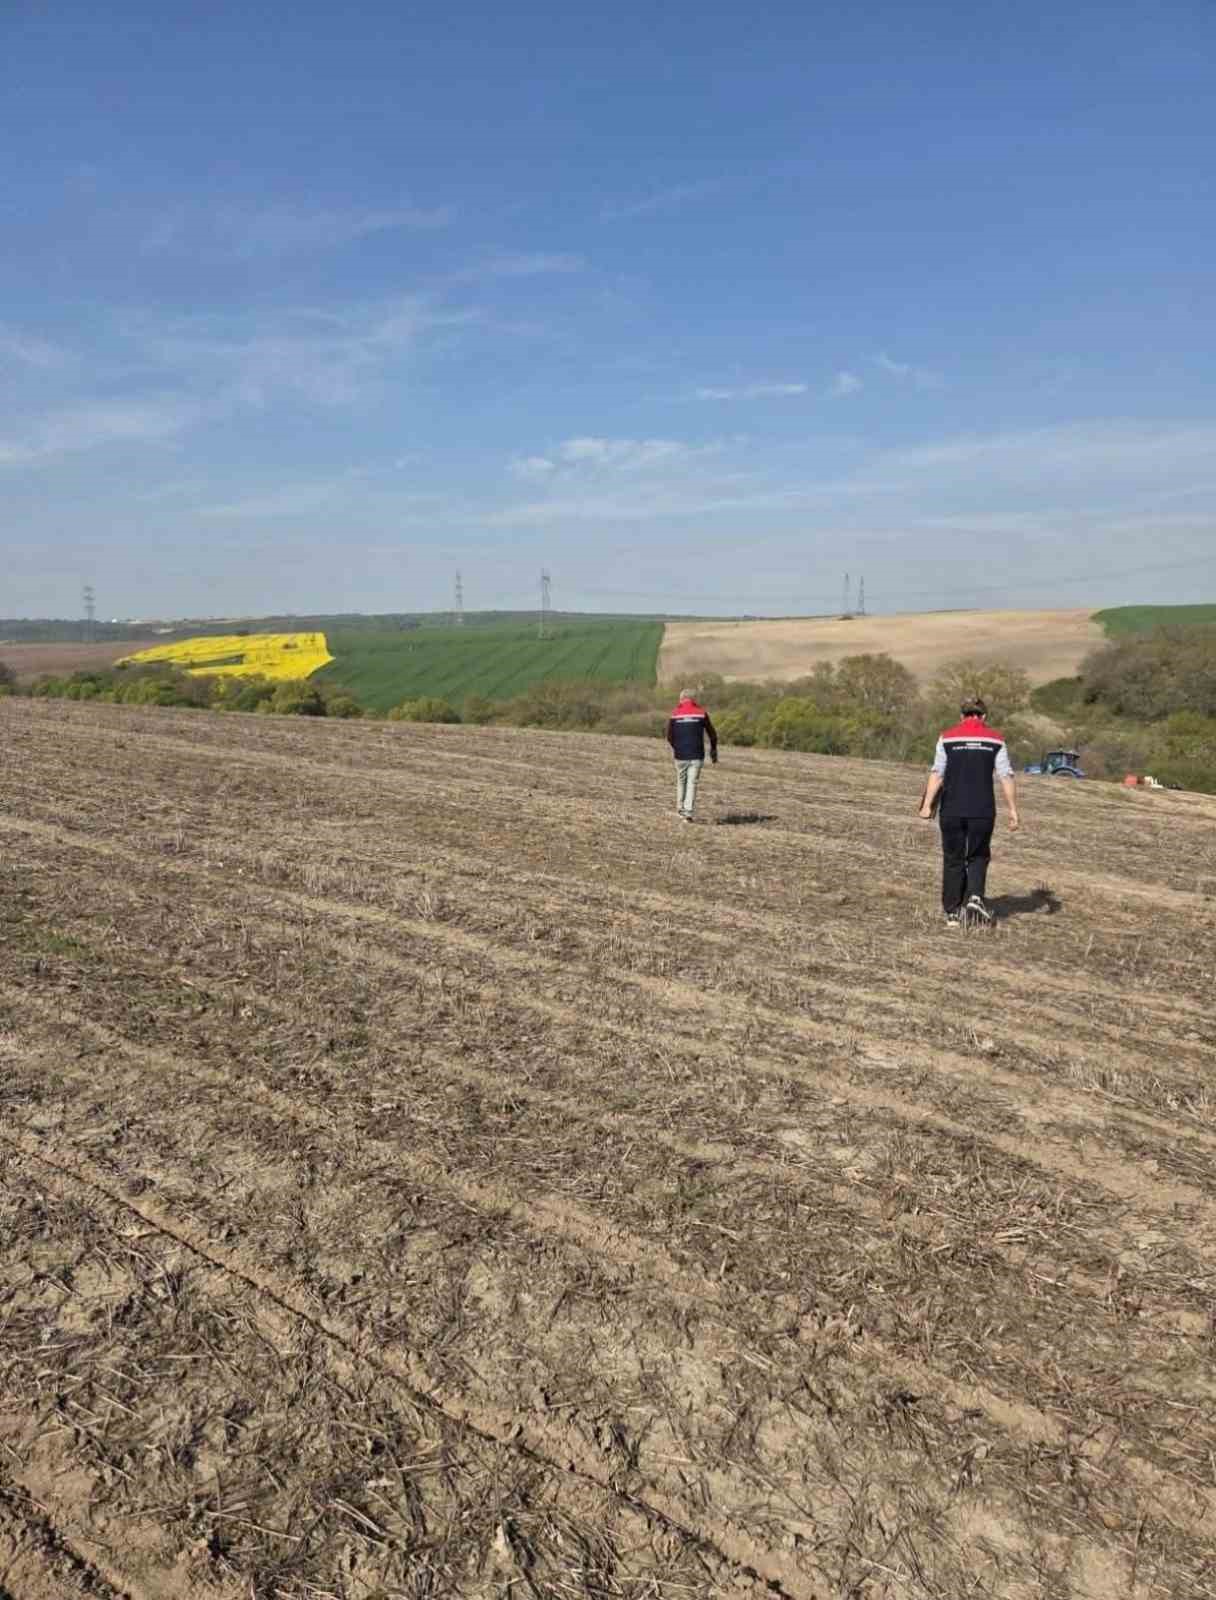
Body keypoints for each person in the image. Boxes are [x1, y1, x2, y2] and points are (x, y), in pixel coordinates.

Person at [919, 695, 1019, 927]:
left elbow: (937, 773)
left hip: (951, 809)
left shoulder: (947, 737)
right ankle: (974, 897)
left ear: (961, 716)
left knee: (953, 858)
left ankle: (953, 913)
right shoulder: (996, 740)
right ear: (984, 716)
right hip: (982, 810)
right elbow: (1006, 776)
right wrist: (1013, 810)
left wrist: (926, 805)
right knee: (978, 855)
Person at [666, 688, 718, 821]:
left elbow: (669, 736)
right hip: (697, 754)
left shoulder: (675, 713)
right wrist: (713, 750)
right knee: (692, 783)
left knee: (681, 781)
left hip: (680, 755)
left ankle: (680, 808)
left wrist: (676, 747)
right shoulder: (702, 713)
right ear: (694, 699)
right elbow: (712, 734)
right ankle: (688, 812)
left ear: (681, 699)